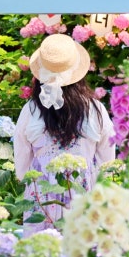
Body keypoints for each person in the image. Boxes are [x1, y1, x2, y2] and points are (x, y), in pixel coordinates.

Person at [13, 33, 115, 229]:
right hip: (82, 191)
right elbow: (106, 160)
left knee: (42, 252)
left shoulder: (31, 110)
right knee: (81, 251)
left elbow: (22, 160)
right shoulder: (95, 110)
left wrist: (36, 177)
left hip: (42, 193)